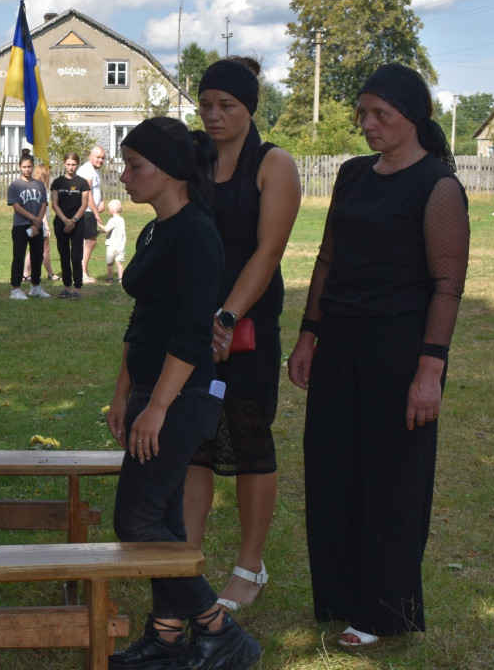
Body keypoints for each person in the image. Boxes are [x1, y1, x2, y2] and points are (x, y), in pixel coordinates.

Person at [287, 64, 469, 648]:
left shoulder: (437, 187)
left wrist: (429, 369)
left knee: (393, 480)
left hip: (400, 347)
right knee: (333, 468)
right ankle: (341, 598)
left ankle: (383, 611)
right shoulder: (351, 174)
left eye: (380, 115)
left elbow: (447, 284)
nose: (368, 124)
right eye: (363, 113)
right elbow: (327, 259)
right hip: (339, 338)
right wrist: (308, 334)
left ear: (413, 117)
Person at [106, 117, 261, 670]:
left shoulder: (196, 233)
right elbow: (142, 319)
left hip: (182, 395)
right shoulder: (154, 230)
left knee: (137, 522)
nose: (124, 176)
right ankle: (167, 637)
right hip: (152, 390)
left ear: (170, 172)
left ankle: (220, 632)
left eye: (135, 166)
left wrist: (158, 407)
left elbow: (194, 334)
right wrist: (126, 395)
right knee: (164, 522)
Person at [182, 58, 302, 613]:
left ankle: (250, 568)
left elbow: (269, 250)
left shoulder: (273, 163)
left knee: (249, 441)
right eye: (205, 104)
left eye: (226, 105)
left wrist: (226, 317)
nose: (213, 115)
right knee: (196, 446)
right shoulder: (193, 160)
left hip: (246, 327)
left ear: (250, 108)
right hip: (194, 326)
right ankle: (186, 560)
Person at [6, 151, 50, 300]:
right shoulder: (15, 185)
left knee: (37, 256)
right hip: (21, 225)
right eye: (24, 167)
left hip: (37, 225)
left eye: (30, 166)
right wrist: (33, 218)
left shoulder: (39, 185)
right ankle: (15, 288)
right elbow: (16, 206)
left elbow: (44, 203)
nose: (27, 169)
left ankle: (35, 286)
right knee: (18, 256)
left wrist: (38, 222)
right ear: (20, 167)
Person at [49, 152, 91, 298]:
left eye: (73, 164)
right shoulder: (58, 182)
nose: (71, 167)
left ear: (77, 165)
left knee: (76, 255)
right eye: (68, 164)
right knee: (64, 254)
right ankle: (67, 287)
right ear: (64, 163)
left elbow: (84, 204)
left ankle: (78, 288)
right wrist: (65, 221)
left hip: (77, 223)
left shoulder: (83, 183)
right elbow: (54, 204)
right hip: (61, 223)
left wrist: (73, 221)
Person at [24, 160, 58, 283]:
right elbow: (41, 207)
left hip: (38, 221)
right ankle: (50, 273)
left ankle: (26, 273)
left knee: (35, 248)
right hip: (40, 222)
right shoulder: (41, 187)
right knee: (45, 248)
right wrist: (46, 226)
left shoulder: (36, 185)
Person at [78, 145, 106, 283]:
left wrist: (102, 201)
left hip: (90, 210)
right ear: (90, 156)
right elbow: (87, 194)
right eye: (98, 157)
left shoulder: (95, 171)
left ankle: (84, 272)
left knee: (88, 241)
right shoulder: (86, 170)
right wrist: (96, 213)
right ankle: (82, 274)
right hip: (86, 211)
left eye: (102, 158)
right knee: (90, 241)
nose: (100, 160)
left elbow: (95, 192)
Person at [101, 199, 127, 282]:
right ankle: (120, 279)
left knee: (110, 263)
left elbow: (107, 230)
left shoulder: (112, 220)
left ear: (112, 210)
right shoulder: (121, 219)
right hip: (121, 245)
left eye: (109, 209)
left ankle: (110, 278)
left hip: (112, 245)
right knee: (119, 262)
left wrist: (98, 225)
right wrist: (100, 231)